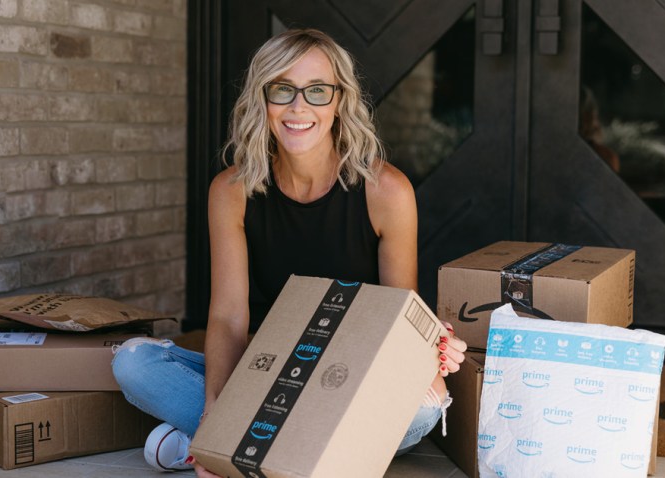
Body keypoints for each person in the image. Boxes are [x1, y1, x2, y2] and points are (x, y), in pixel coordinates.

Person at [111, 28, 467, 477]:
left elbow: (399, 316)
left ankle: (230, 446)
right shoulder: (231, 190)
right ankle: (268, 449)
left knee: (425, 405)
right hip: (265, 377)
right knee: (133, 363)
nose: (299, 107)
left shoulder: (386, 191)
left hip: (350, 381)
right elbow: (228, 318)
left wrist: (432, 345)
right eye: (283, 89)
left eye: (317, 91)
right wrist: (214, 411)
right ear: (263, 99)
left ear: (339, 101)